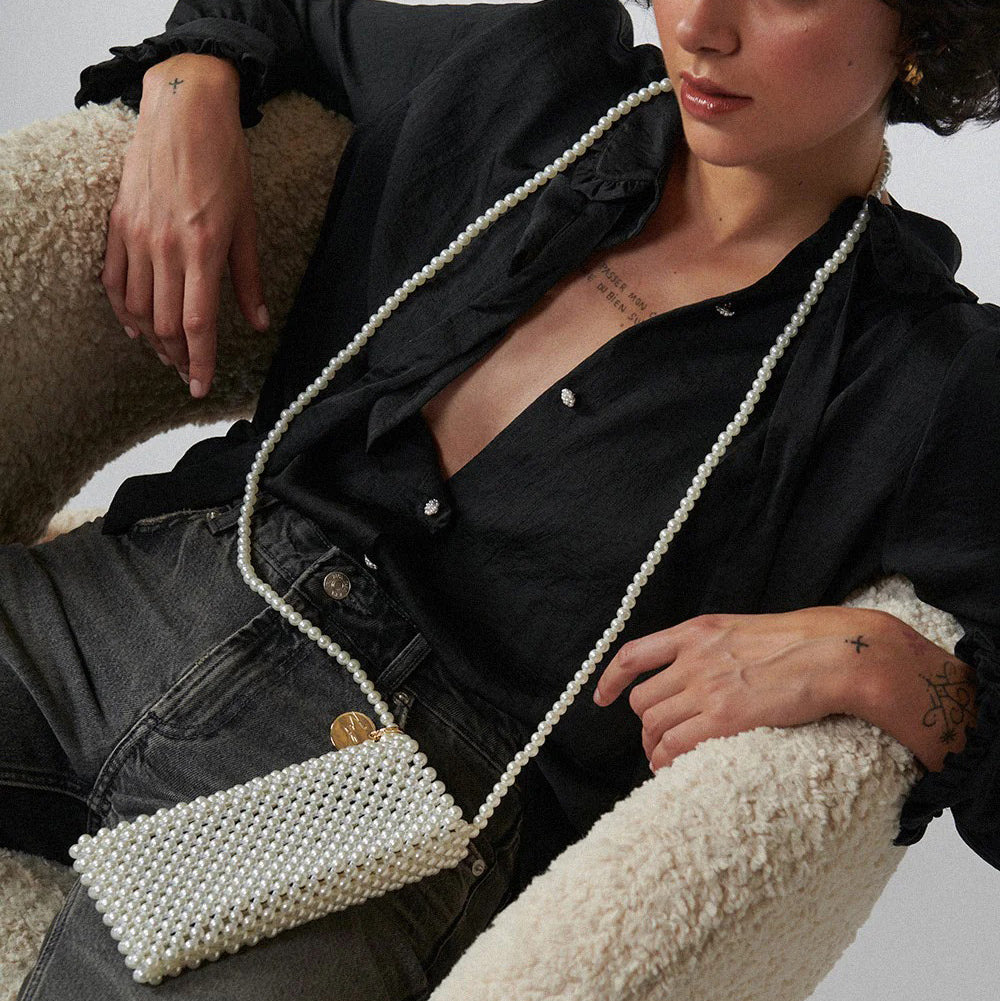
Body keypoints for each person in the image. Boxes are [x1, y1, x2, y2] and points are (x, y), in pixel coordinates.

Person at [4, 0, 999, 997]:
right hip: (149, 594)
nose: (699, 24)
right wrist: (189, 88)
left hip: (393, 791)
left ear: (923, 32)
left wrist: (884, 665)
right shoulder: (534, 76)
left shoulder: (925, 371)